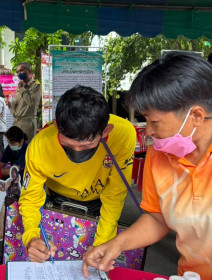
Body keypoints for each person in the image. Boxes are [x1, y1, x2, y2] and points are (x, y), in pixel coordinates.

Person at [83, 52, 212, 279]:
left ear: (196, 116)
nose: (149, 131)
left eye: (154, 122)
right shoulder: (159, 155)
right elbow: (157, 217)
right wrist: (117, 244)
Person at [19, 85, 136, 263]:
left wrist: (102, 243)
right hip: (56, 201)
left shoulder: (123, 134)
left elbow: (115, 194)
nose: (77, 151)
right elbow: (31, 199)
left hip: (99, 201)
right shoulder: (40, 145)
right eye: (67, 144)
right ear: (56, 126)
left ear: (106, 132)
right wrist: (31, 236)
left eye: (87, 146)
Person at [8, 62, 41, 143]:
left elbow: (31, 102)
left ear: (28, 71)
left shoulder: (36, 85)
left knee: (26, 148)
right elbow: (17, 105)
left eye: (21, 71)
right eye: (18, 71)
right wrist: (10, 105)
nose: (19, 73)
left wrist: (22, 89)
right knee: (15, 148)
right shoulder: (20, 86)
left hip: (27, 123)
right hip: (16, 122)